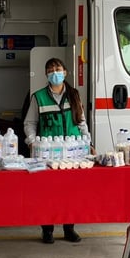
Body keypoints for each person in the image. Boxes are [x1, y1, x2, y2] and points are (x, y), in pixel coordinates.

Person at [23, 57, 93, 244]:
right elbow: (30, 123)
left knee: (71, 193)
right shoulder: (38, 97)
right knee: (47, 193)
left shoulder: (74, 95)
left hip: (72, 153)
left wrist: (88, 141)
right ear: (46, 74)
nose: (55, 72)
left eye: (58, 69)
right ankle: (47, 230)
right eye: (51, 70)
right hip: (48, 154)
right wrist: (32, 142)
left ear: (65, 72)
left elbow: (81, 121)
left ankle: (69, 229)